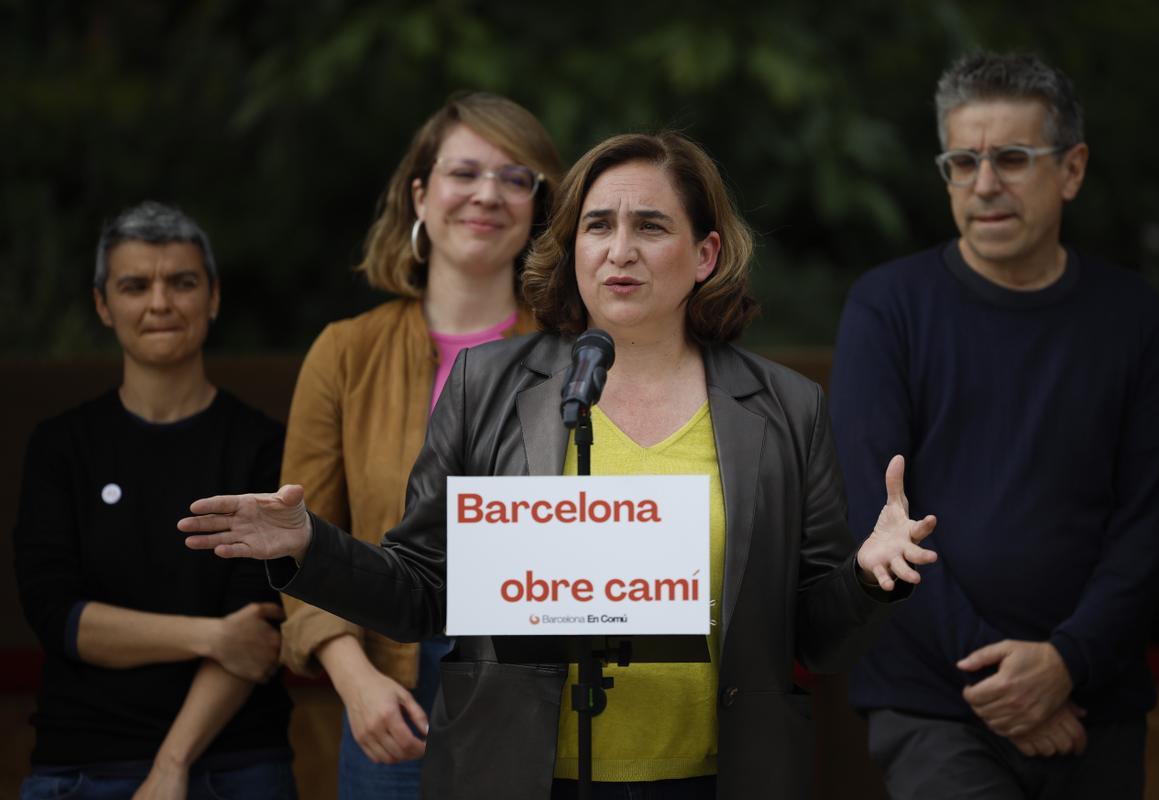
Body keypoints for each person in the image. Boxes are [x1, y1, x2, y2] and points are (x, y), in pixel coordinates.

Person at [180, 132, 936, 800]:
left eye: (651, 226)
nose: (620, 250)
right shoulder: (487, 386)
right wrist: (310, 547)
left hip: (718, 776)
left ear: (705, 253)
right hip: (517, 771)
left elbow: (820, 638)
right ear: (572, 246)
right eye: (597, 226)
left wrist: (869, 577)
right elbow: (421, 591)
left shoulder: (784, 407)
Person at [830, 52, 1159, 799]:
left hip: (1093, 700)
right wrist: (1004, 681)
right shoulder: (887, 308)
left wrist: (1064, 664)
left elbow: (1148, 525)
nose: (984, 183)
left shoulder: (1134, 320)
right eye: (963, 161)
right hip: (935, 705)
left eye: (1013, 158)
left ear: (1073, 168)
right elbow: (878, 516)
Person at [276, 91, 561, 798]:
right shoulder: (347, 352)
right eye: (464, 173)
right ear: (421, 195)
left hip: (540, 689)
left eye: (515, 177)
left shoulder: (580, 356)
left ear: (538, 207)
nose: (487, 195)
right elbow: (299, 537)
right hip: (391, 691)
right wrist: (356, 680)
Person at [13, 201, 294, 800]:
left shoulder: (262, 446)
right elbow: (60, 618)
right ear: (102, 304)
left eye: (182, 282)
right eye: (135, 285)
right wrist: (210, 636)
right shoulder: (61, 446)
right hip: (80, 767)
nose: (160, 303)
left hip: (237, 766)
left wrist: (171, 765)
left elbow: (258, 630)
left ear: (213, 297)